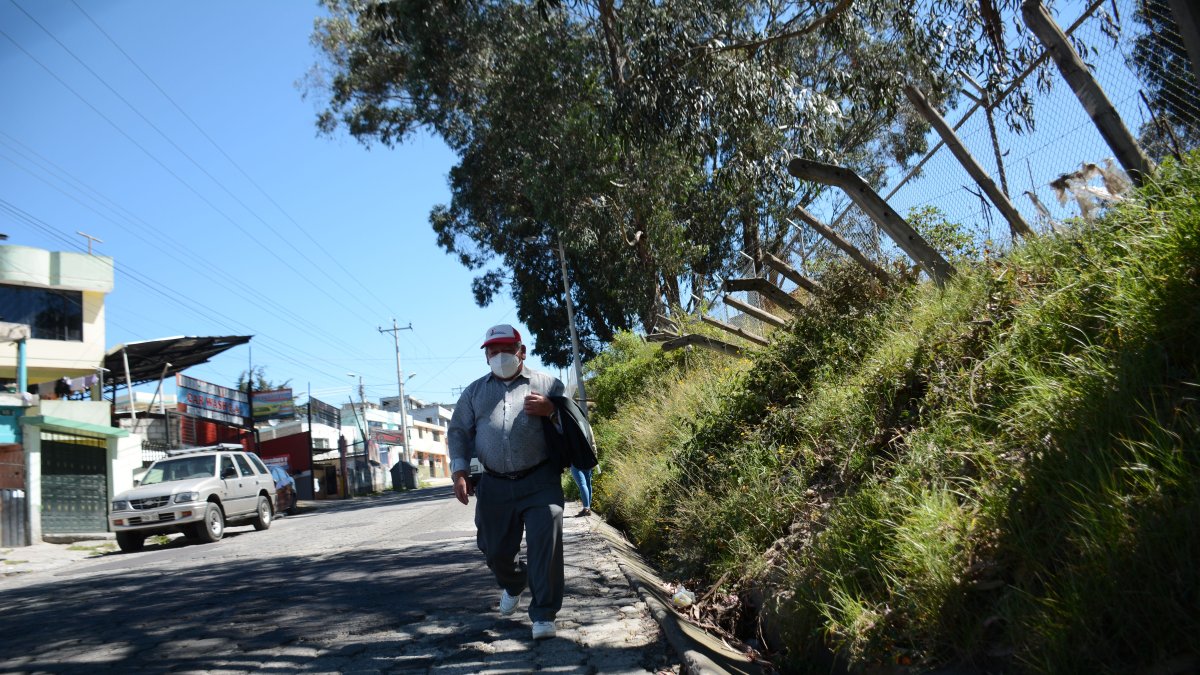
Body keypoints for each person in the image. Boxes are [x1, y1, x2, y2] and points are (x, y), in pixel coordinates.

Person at [448, 323, 567, 641]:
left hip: (540, 479)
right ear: (486, 355)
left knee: (546, 541)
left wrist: (552, 410)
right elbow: (459, 430)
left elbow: (573, 425)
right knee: (495, 550)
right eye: (493, 350)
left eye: (506, 349)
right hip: (494, 484)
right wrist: (460, 472)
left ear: (521, 351)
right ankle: (514, 583)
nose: (499, 355)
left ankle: (543, 613)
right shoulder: (474, 391)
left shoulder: (547, 383)